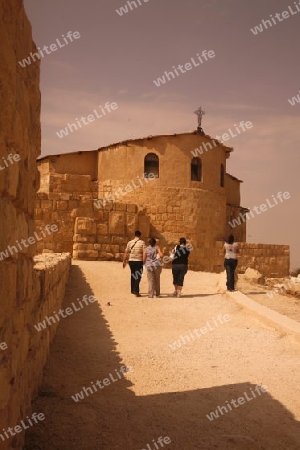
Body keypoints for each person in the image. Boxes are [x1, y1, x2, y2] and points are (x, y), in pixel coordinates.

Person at [123, 230, 146, 297]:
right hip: (139, 261)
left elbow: (126, 252)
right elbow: (144, 252)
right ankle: (136, 291)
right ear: (140, 235)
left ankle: (132, 290)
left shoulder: (130, 242)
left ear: (135, 235)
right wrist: (144, 261)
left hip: (131, 261)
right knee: (138, 276)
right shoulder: (142, 243)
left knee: (133, 274)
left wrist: (124, 261)